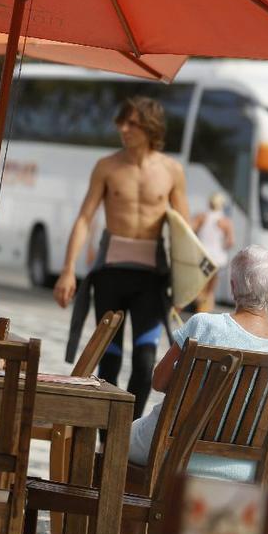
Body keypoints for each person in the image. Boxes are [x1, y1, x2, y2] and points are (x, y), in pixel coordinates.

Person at [122, 244, 268, 534]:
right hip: (245, 468)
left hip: (174, 453)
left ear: (233, 286)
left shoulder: (204, 326)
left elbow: (158, 381)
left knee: (116, 441)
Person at [53, 96, 191, 420]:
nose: (123, 128)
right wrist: (68, 270)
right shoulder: (108, 166)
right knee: (109, 362)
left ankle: (126, 434)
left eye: (131, 123)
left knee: (145, 364)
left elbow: (186, 235)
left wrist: (187, 288)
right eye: (121, 122)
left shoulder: (172, 171)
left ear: (150, 128)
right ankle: (106, 436)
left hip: (151, 281)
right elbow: (85, 218)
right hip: (110, 276)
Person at [192, 192, 235, 313]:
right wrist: (221, 245)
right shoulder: (226, 222)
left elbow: (190, 231)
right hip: (218, 259)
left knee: (201, 283)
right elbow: (230, 242)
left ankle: (199, 304)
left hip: (203, 256)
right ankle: (205, 308)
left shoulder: (201, 217)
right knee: (211, 287)